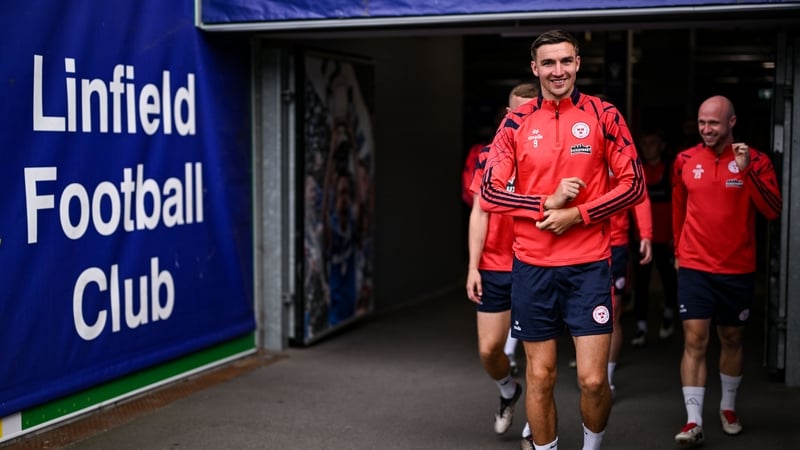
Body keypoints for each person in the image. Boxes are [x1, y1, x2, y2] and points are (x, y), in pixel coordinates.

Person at [479, 29, 646, 450]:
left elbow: (634, 185)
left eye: (566, 61)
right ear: (534, 69)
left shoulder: (604, 115)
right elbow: (490, 191)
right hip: (532, 268)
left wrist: (579, 214)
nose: (558, 71)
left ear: (578, 64)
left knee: (592, 380)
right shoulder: (515, 122)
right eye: (548, 63)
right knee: (540, 376)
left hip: (589, 265)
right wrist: (544, 203)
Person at [671, 95, 782, 446]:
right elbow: (679, 209)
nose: (706, 129)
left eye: (714, 123)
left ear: (731, 123)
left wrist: (746, 169)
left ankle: (729, 408)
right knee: (694, 339)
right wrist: (677, 249)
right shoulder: (685, 160)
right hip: (694, 265)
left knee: (731, 338)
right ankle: (692, 421)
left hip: (737, 267)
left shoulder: (757, 161)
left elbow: (772, 210)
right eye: (702, 122)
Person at [465, 82, 539, 438]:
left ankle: (536, 426)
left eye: (529, 112)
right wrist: (472, 266)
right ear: (507, 114)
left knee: (539, 357)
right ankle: (509, 391)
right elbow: (479, 212)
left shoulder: (550, 156)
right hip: (494, 266)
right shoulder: (489, 155)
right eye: (516, 112)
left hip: (535, 264)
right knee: (489, 350)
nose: (521, 118)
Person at [630, 129, 679, 347]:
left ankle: (669, 315)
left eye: (652, 143)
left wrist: (675, 236)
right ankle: (641, 325)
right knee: (641, 283)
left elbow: (679, 205)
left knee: (669, 280)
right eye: (644, 143)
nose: (648, 148)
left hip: (665, 237)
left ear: (661, 145)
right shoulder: (636, 169)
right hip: (641, 238)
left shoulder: (671, 168)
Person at [607, 185, 652, 397]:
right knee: (581, 311)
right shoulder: (571, 151)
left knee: (613, 312)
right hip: (581, 242)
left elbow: (639, 193)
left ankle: (606, 378)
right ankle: (589, 369)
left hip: (615, 243)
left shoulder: (623, 151)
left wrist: (646, 234)